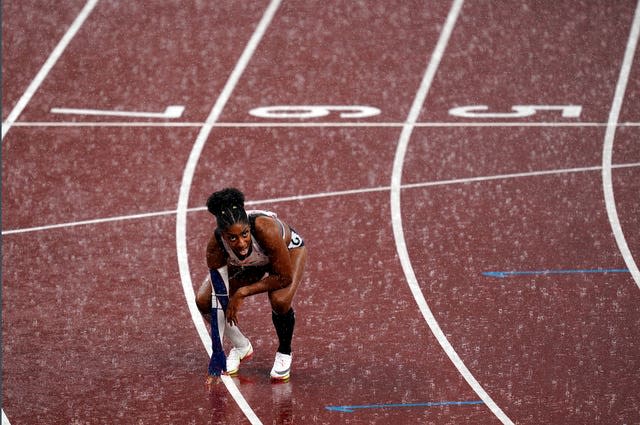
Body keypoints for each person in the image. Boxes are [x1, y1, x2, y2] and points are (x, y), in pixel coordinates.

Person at [196, 187, 307, 384]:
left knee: (280, 301)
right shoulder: (215, 248)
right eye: (232, 238)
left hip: (285, 253)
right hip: (250, 264)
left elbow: (283, 278)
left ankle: (284, 352)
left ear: (249, 227)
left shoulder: (265, 229)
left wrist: (242, 293)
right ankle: (241, 346)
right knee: (203, 300)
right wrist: (217, 354)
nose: (240, 243)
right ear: (223, 236)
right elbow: (218, 298)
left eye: (245, 234)